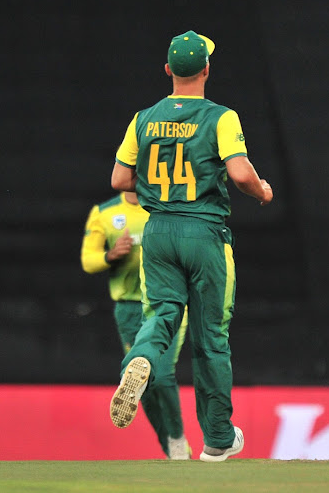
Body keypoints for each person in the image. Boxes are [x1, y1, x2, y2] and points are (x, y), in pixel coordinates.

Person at [108, 30, 273, 463]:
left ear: (167, 71)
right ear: (206, 69)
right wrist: (261, 191)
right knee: (211, 338)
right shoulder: (221, 117)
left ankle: (137, 363)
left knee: (160, 315)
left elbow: (119, 180)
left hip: (158, 230)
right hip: (203, 232)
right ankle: (217, 438)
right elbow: (239, 173)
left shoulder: (143, 117)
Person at [80, 190, 190, 459]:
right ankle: (172, 450)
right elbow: (88, 260)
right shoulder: (104, 213)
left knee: (161, 375)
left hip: (166, 303)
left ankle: (177, 440)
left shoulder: (164, 205)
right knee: (143, 384)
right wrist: (111, 255)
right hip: (129, 308)